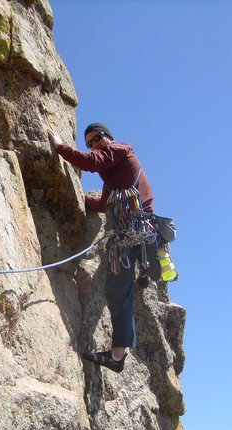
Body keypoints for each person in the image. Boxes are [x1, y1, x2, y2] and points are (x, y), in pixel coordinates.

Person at [48, 122, 157, 373]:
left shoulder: (120, 151)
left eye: (96, 139)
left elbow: (91, 162)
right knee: (119, 289)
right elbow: (104, 205)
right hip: (134, 233)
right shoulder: (113, 177)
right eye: (89, 143)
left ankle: (117, 356)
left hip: (133, 232)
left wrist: (60, 147)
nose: (94, 145)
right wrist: (77, 195)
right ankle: (142, 276)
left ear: (107, 136)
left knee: (117, 290)